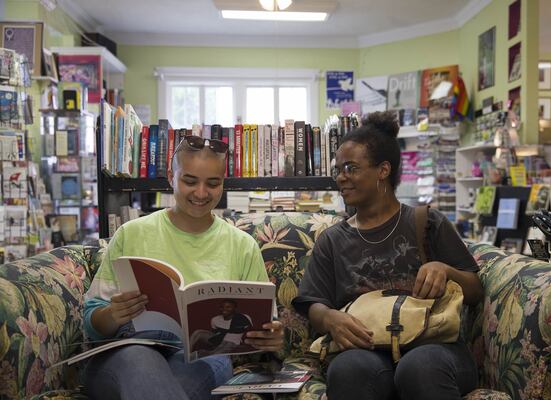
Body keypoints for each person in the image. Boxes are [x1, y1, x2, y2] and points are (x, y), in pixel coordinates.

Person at [292, 111, 484, 400]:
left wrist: (445, 270)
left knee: (419, 366)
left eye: (352, 168)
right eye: (338, 170)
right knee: (348, 369)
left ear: (383, 170)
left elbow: (475, 290)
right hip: (367, 348)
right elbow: (312, 302)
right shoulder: (332, 240)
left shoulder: (427, 222)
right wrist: (330, 318)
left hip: (434, 347)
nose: (341, 178)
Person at [83, 136, 284, 400]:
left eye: (213, 184)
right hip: (126, 354)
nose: (201, 193)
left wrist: (271, 338)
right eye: (189, 181)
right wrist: (113, 313)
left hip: (204, 358)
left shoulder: (242, 246)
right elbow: (91, 323)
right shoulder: (132, 233)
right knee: (140, 358)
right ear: (170, 176)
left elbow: (262, 326)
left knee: (197, 368)